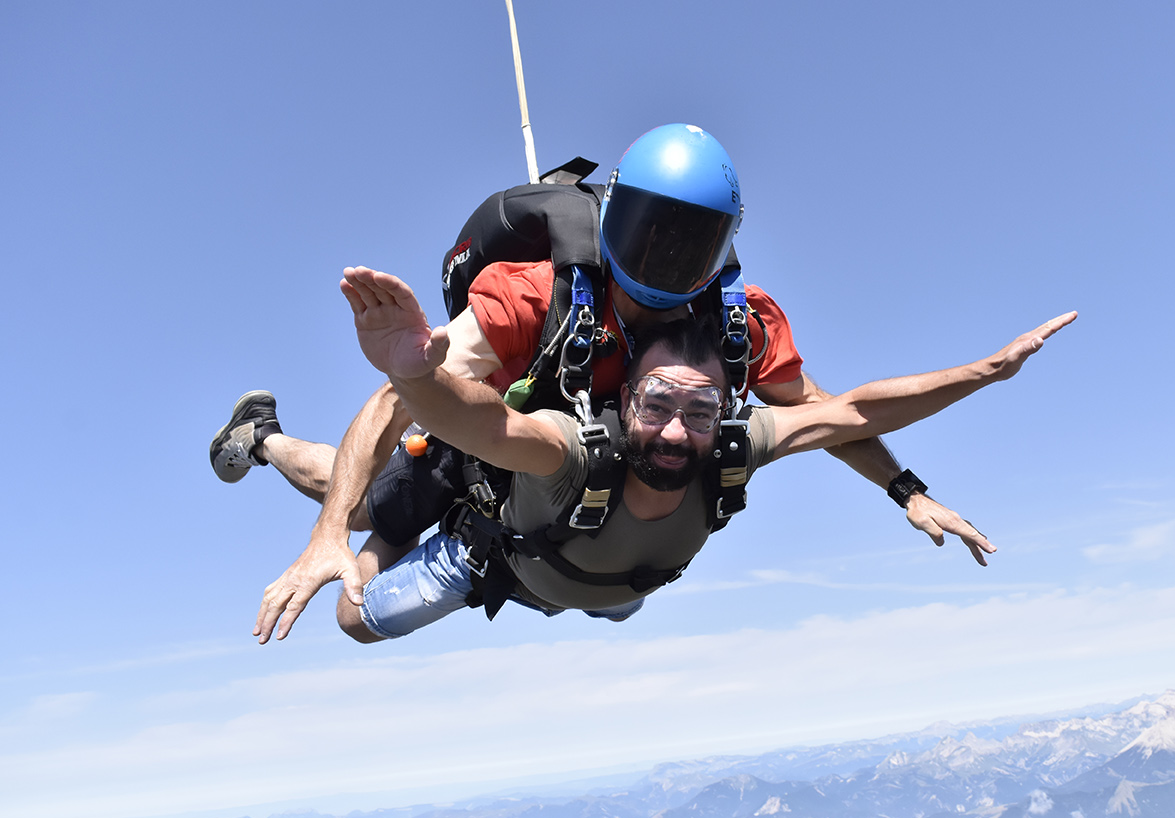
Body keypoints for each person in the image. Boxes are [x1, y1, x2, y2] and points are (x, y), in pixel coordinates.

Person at [214, 125, 991, 642]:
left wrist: (907, 490)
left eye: (690, 245)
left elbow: (827, 414)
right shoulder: (532, 295)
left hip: (554, 506)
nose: (663, 263)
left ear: (723, 246)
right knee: (354, 497)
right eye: (648, 233)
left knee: (606, 593)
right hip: (479, 452)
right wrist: (324, 540)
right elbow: (398, 395)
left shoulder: (736, 326)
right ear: (615, 216)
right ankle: (264, 435)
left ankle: (370, 516)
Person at [319, 266, 1074, 642]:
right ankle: (271, 447)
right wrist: (413, 372)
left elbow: (852, 411)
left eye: (701, 410)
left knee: (616, 597)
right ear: (621, 403)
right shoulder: (576, 452)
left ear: (727, 413)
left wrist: (984, 374)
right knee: (359, 585)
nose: (678, 431)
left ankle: (358, 497)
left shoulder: (730, 450)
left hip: (596, 580)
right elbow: (482, 426)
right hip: (496, 558)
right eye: (657, 406)